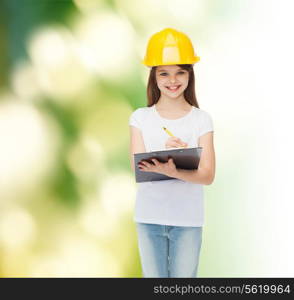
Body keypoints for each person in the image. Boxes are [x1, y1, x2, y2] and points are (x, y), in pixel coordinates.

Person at [129, 28, 215, 278]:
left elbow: (207, 175)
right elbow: (138, 168)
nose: (172, 80)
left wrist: (175, 169)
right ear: (153, 76)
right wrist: (171, 162)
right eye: (164, 73)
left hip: (188, 221)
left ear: (190, 74)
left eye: (180, 72)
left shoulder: (201, 120)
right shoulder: (140, 118)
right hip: (149, 218)